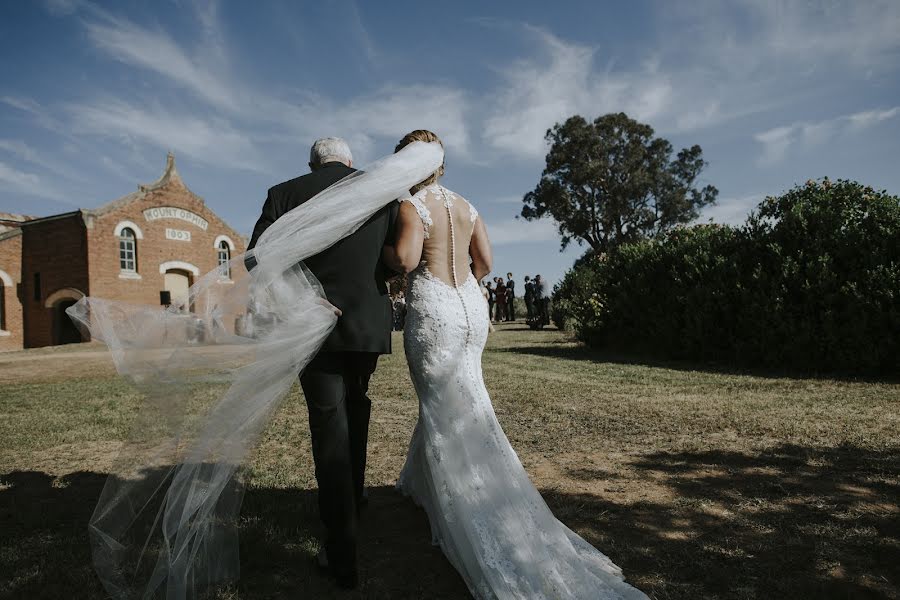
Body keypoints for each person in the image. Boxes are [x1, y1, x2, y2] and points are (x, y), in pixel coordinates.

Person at [382, 130, 647, 599]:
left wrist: (381, 256)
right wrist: (463, 286)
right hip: (468, 307)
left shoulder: (411, 204)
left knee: (443, 405)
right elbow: (484, 262)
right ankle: (420, 484)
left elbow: (405, 258)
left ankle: (463, 506)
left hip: (435, 308)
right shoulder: (467, 205)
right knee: (465, 398)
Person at [246, 137, 397, 590]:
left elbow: (257, 258)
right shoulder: (380, 190)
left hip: (314, 322)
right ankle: (354, 499)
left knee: (329, 423)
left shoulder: (284, 193)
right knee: (358, 405)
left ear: (312, 163)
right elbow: (393, 259)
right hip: (367, 322)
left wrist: (305, 297)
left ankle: (342, 550)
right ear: (349, 162)